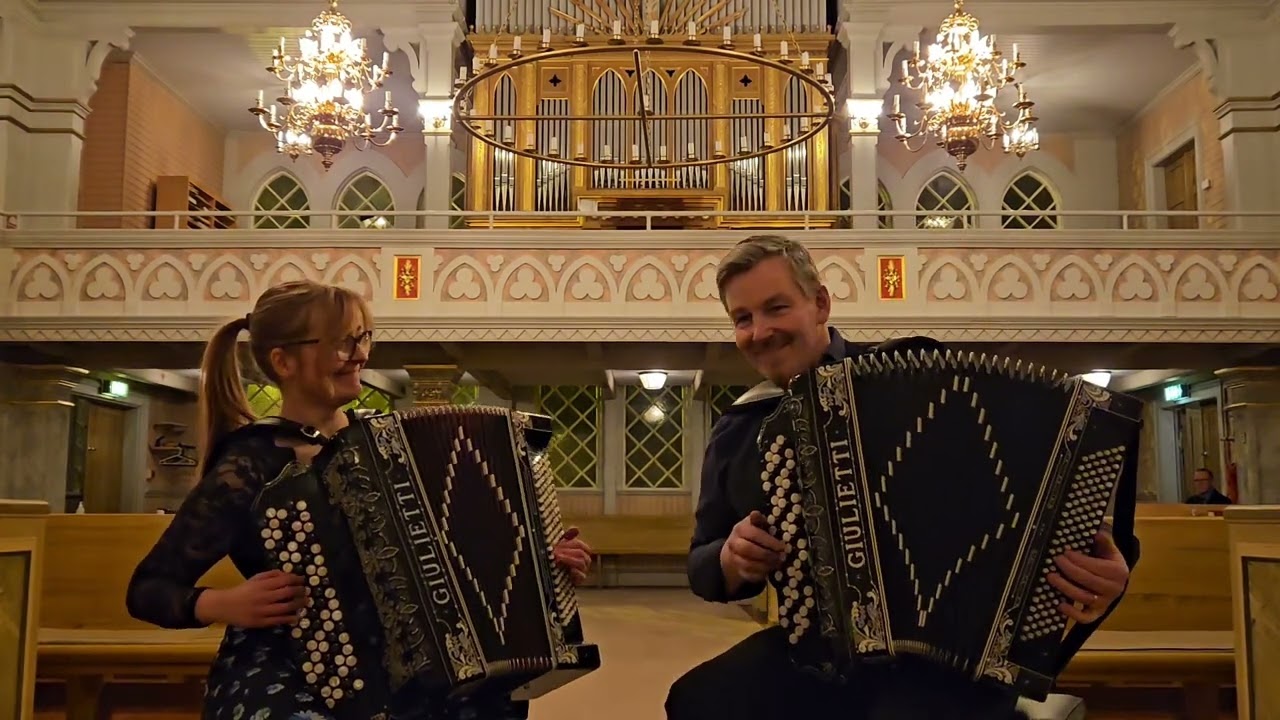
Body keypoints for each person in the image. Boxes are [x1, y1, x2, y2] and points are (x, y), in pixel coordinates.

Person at [665, 235, 1139, 720]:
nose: (759, 331)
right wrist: (728, 559)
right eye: (743, 318)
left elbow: (1057, 499)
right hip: (819, 658)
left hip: (954, 668)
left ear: (821, 303)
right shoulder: (742, 427)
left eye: (776, 308)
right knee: (697, 699)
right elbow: (703, 562)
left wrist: (1108, 573)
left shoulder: (921, 380)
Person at [125, 279, 594, 720]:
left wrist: (540, 561)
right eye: (342, 344)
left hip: (414, 674)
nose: (359, 355)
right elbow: (148, 589)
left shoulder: (390, 443)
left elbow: (463, 542)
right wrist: (223, 604)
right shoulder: (249, 463)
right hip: (288, 664)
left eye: (363, 339)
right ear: (284, 362)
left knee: (497, 699)